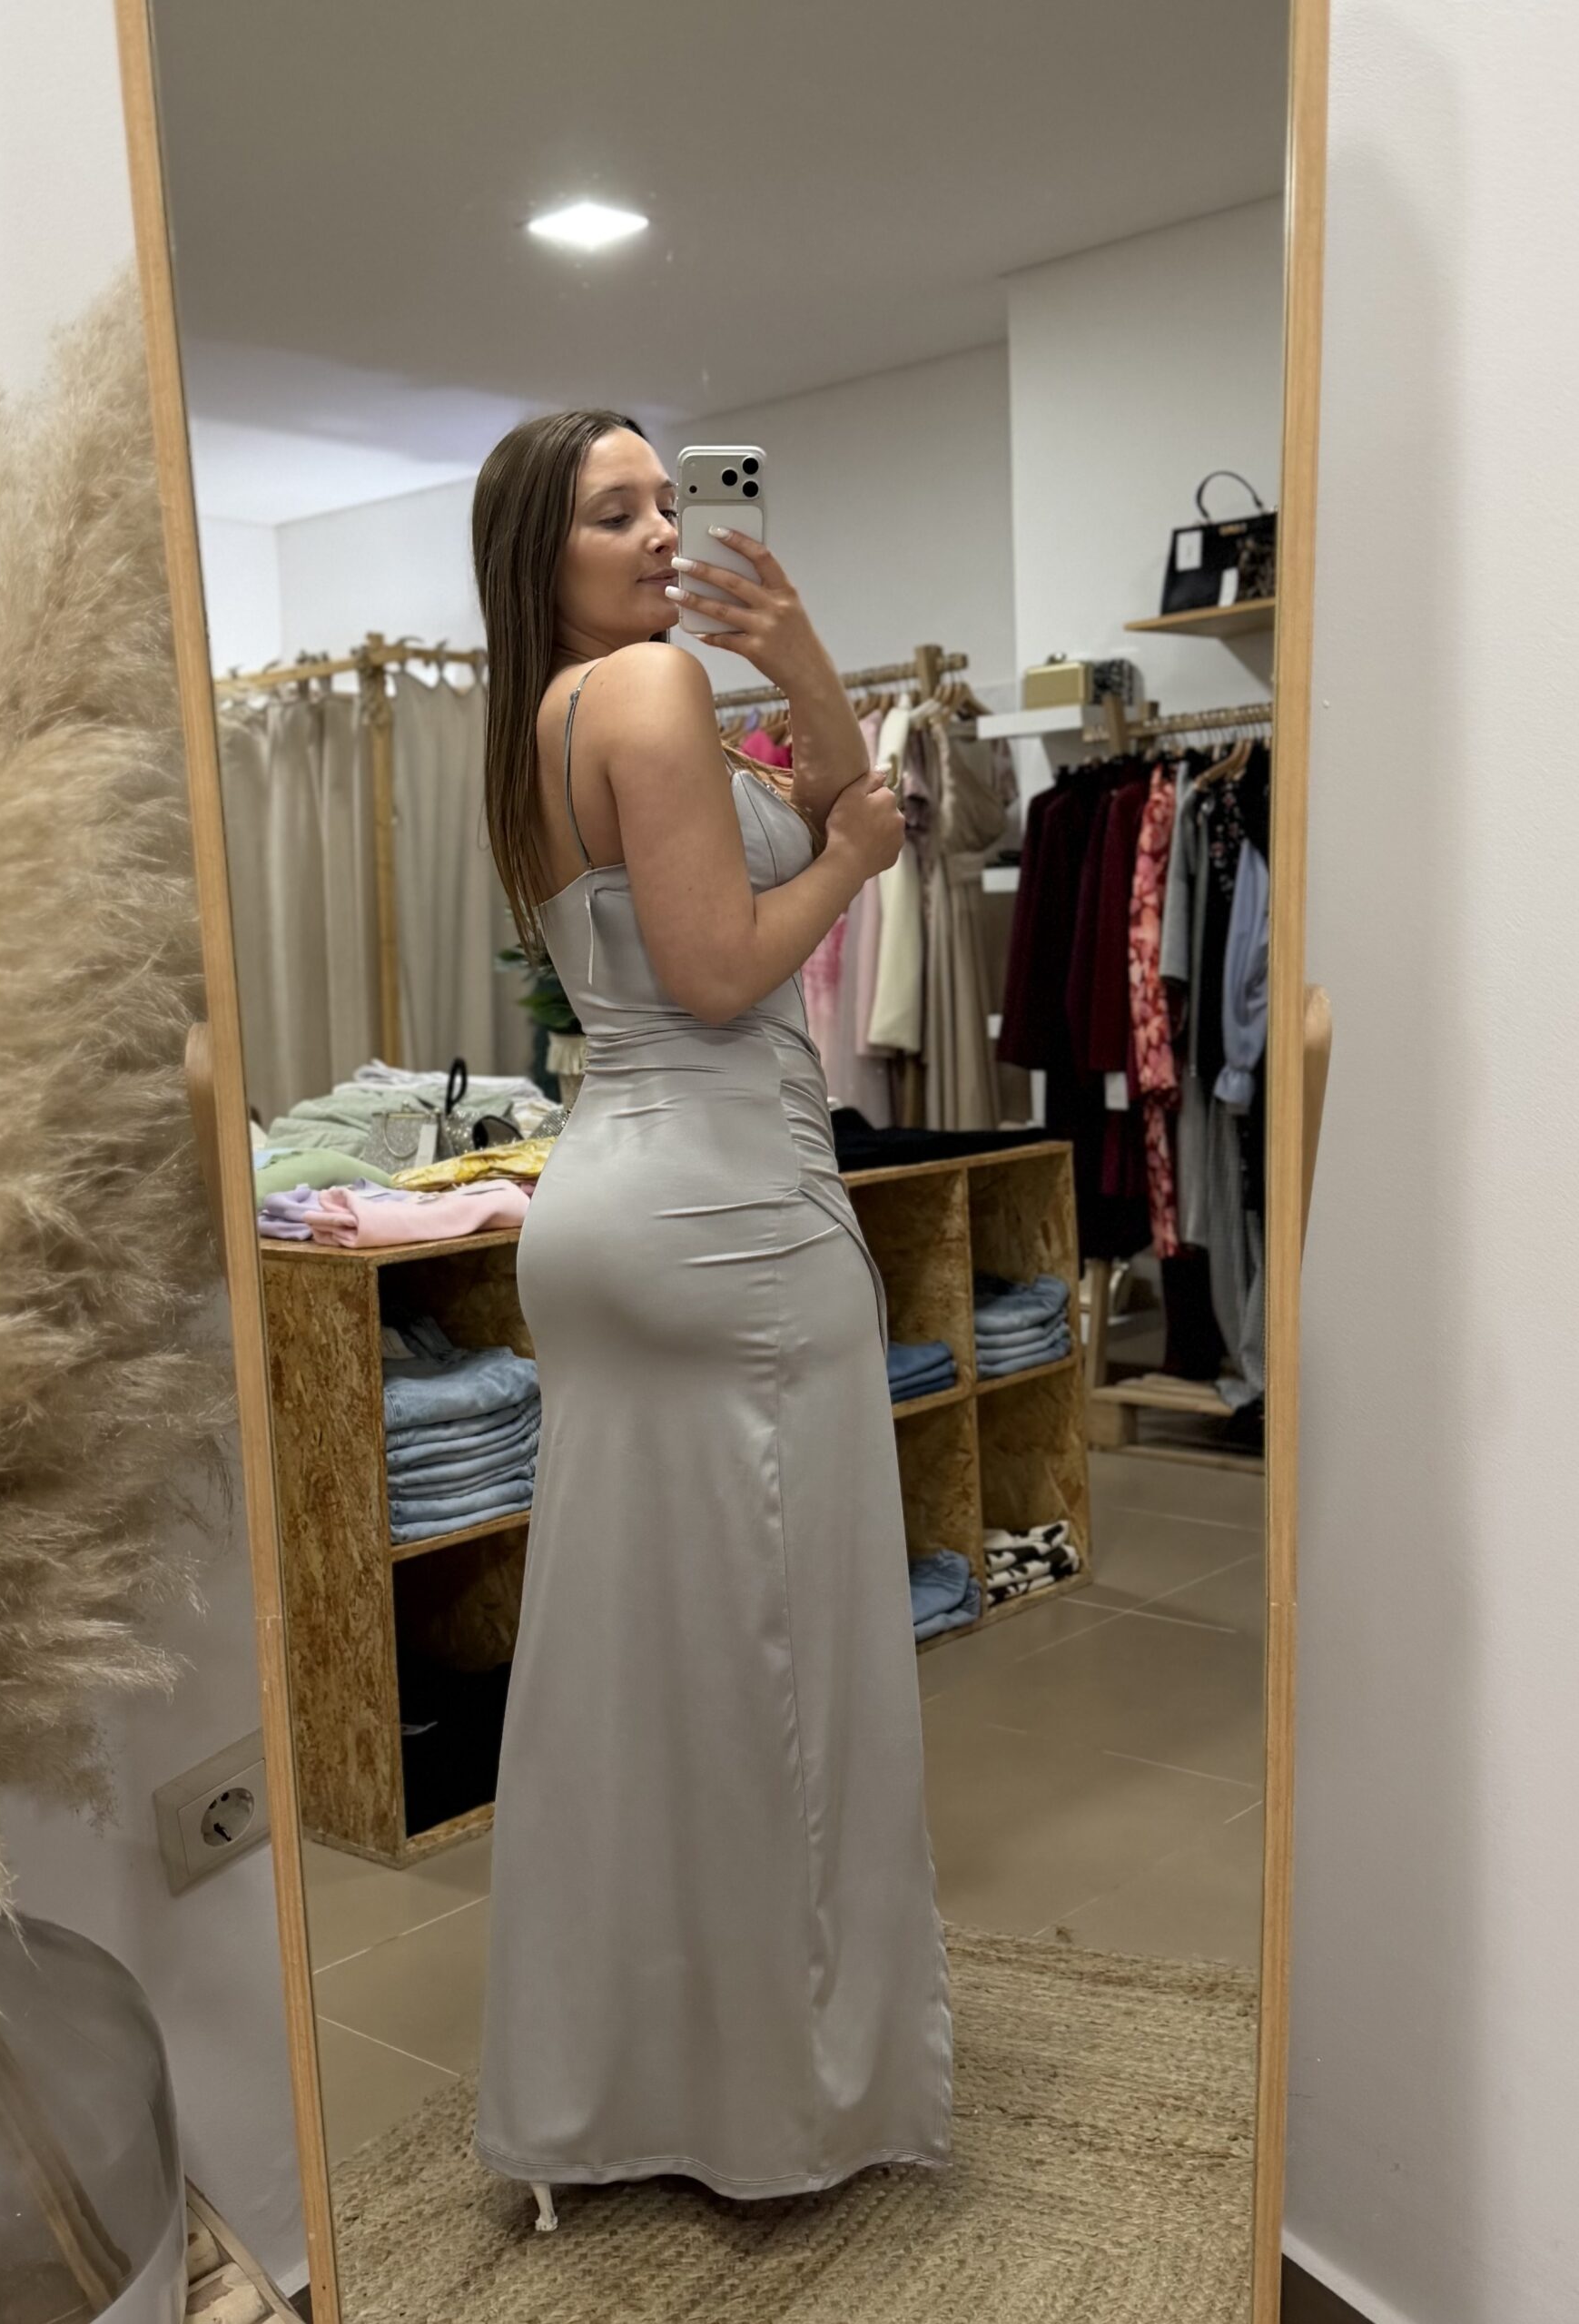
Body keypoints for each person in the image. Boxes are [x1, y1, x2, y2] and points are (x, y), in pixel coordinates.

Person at [469, 409, 953, 2207]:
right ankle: (784, 2103)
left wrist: (802, 655)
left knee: (637, 1665)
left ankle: (618, 2079)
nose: (666, 530)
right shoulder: (652, 690)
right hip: (726, 1216)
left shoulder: (544, 716)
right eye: (619, 512)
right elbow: (723, 966)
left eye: (672, 499)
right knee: (784, 1660)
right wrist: (854, 868)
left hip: (612, 1203)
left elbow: (826, 796)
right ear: (543, 552)